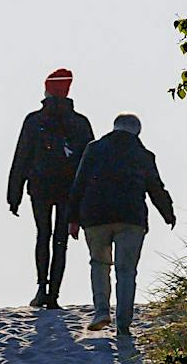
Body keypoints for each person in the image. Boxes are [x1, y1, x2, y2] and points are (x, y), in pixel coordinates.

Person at [67, 111, 175, 334]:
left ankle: (101, 311)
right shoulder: (144, 155)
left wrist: (73, 218)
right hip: (131, 219)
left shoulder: (94, 149)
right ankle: (123, 323)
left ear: (114, 127)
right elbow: (155, 187)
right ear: (137, 131)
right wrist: (168, 213)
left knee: (99, 264)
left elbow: (79, 183)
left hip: (96, 217)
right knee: (126, 271)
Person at [6, 68, 93, 308]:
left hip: (40, 188)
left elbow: (21, 158)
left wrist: (14, 194)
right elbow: (89, 163)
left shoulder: (34, 121)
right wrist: (88, 198)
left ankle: (42, 287)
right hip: (69, 190)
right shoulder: (80, 123)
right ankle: (54, 293)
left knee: (42, 235)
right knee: (60, 240)